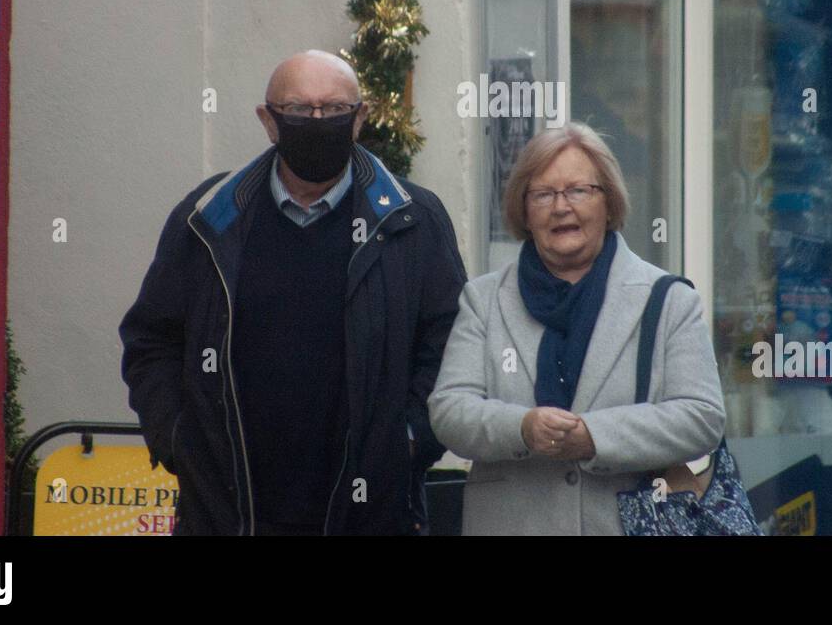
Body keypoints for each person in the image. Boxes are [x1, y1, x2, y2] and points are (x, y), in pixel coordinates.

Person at [119, 50, 465, 535]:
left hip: (370, 513)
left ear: (361, 117)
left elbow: (451, 346)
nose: (318, 121)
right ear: (268, 120)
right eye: (300, 110)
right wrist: (179, 440)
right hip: (229, 512)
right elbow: (151, 340)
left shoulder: (412, 221)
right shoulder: (209, 219)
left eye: (336, 109)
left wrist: (407, 442)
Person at [428, 122, 726, 535]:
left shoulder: (668, 300)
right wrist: (522, 428)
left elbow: (702, 417)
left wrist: (594, 437)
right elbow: (449, 412)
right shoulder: (484, 300)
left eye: (578, 191)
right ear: (524, 212)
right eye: (543, 194)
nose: (560, 206)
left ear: (609, 204)